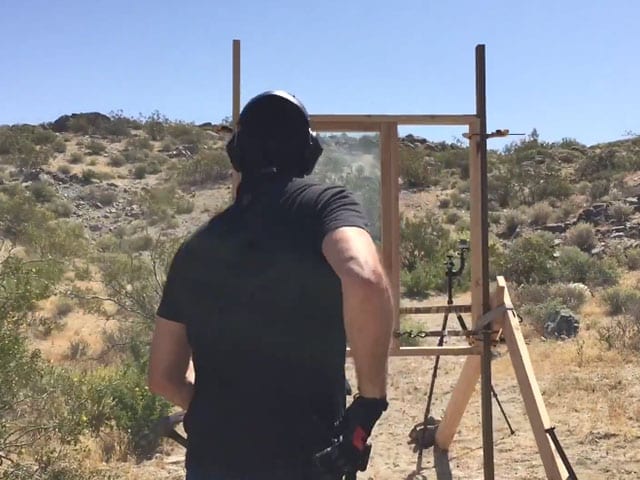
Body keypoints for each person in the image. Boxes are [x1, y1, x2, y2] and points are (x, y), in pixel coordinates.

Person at [148, 90, 394, 480]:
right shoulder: (324, 207)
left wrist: (211, 408)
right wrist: (370, 400)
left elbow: (162, 376)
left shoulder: (197, 247)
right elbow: (364, 279)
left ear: (238, 154)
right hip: (305, 459)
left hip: (213, 460)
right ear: (308, 151)